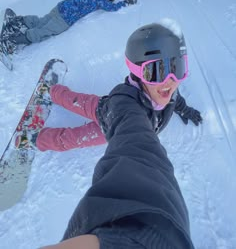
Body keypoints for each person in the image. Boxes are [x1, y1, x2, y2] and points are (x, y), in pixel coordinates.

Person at [38, 19, 201, 249]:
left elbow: (176, 98)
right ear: (137, 73)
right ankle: (45, 123)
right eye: (157, 71)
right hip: (113, 115)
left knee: (80, 117)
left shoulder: (168, 89)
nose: (169, 81)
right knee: (74, 128)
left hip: (119, 124)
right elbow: (136, 145)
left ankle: (51, 113)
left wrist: (185, 110)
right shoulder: (127, 107)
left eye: (177, 68)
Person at [0, 0, 137, 54]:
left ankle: (19, 20)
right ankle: (14, 40)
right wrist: (126, 1)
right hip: (65, 19)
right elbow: (111, 7)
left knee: (41, 21)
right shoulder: (101, 0)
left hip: (60, 7)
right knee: (44, 31)